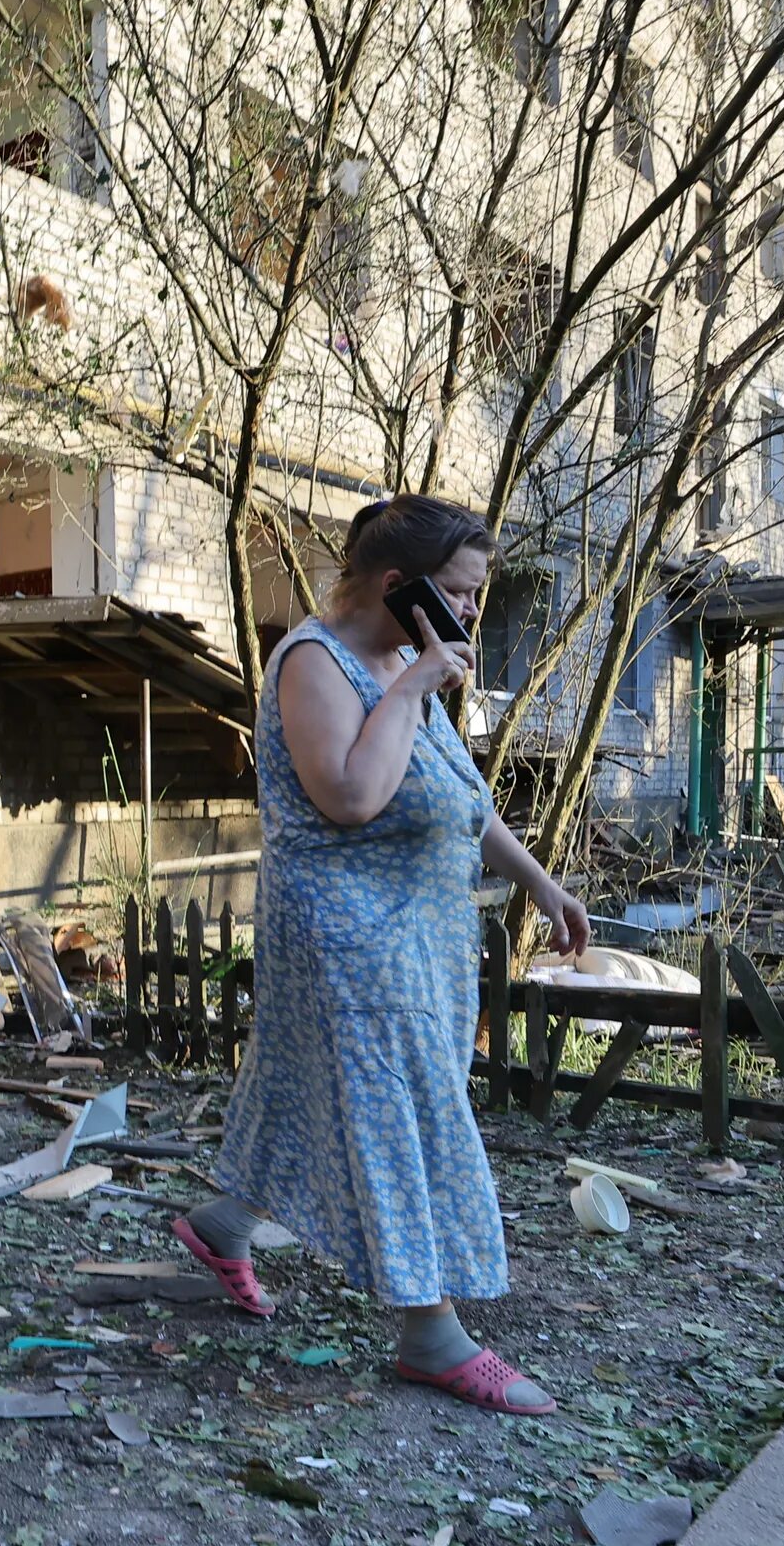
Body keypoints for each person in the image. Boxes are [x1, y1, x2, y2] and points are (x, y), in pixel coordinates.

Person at [173, 494, 588, 1416]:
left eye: (477, 596)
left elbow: (462, 797)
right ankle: (432, 1336)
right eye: (461, 593)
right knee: (398, 1120)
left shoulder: (406, 656)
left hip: (421, 934)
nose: (474, 613)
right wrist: (413, 685)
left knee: (306, 1093)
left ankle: (220, 1225)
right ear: (400, 587)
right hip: (349, 939)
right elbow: (352, 797)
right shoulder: (316, 662)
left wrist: (540, 882)